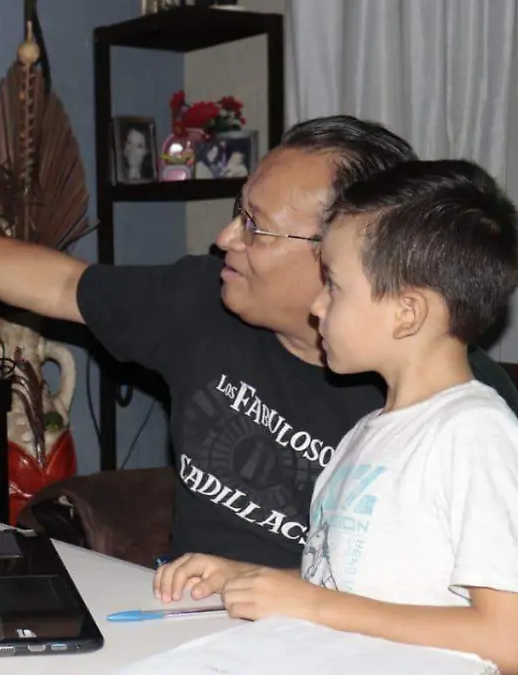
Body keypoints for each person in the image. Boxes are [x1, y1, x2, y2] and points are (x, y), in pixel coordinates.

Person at [0, 115, 518, 570]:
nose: (225, 238)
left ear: (344, 250)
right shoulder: (202, 299)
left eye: (255, 225)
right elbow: (61, 284)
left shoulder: (448, 400)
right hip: (186, 625)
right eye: (237, 212)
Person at [153, 159, 518, 672]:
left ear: (407, 313)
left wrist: (312, 605)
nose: (317, 307)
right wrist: (249, 578)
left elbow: (507, 637)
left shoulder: (475, 433)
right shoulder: (367, 433)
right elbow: (349, 592)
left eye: (335, 286)